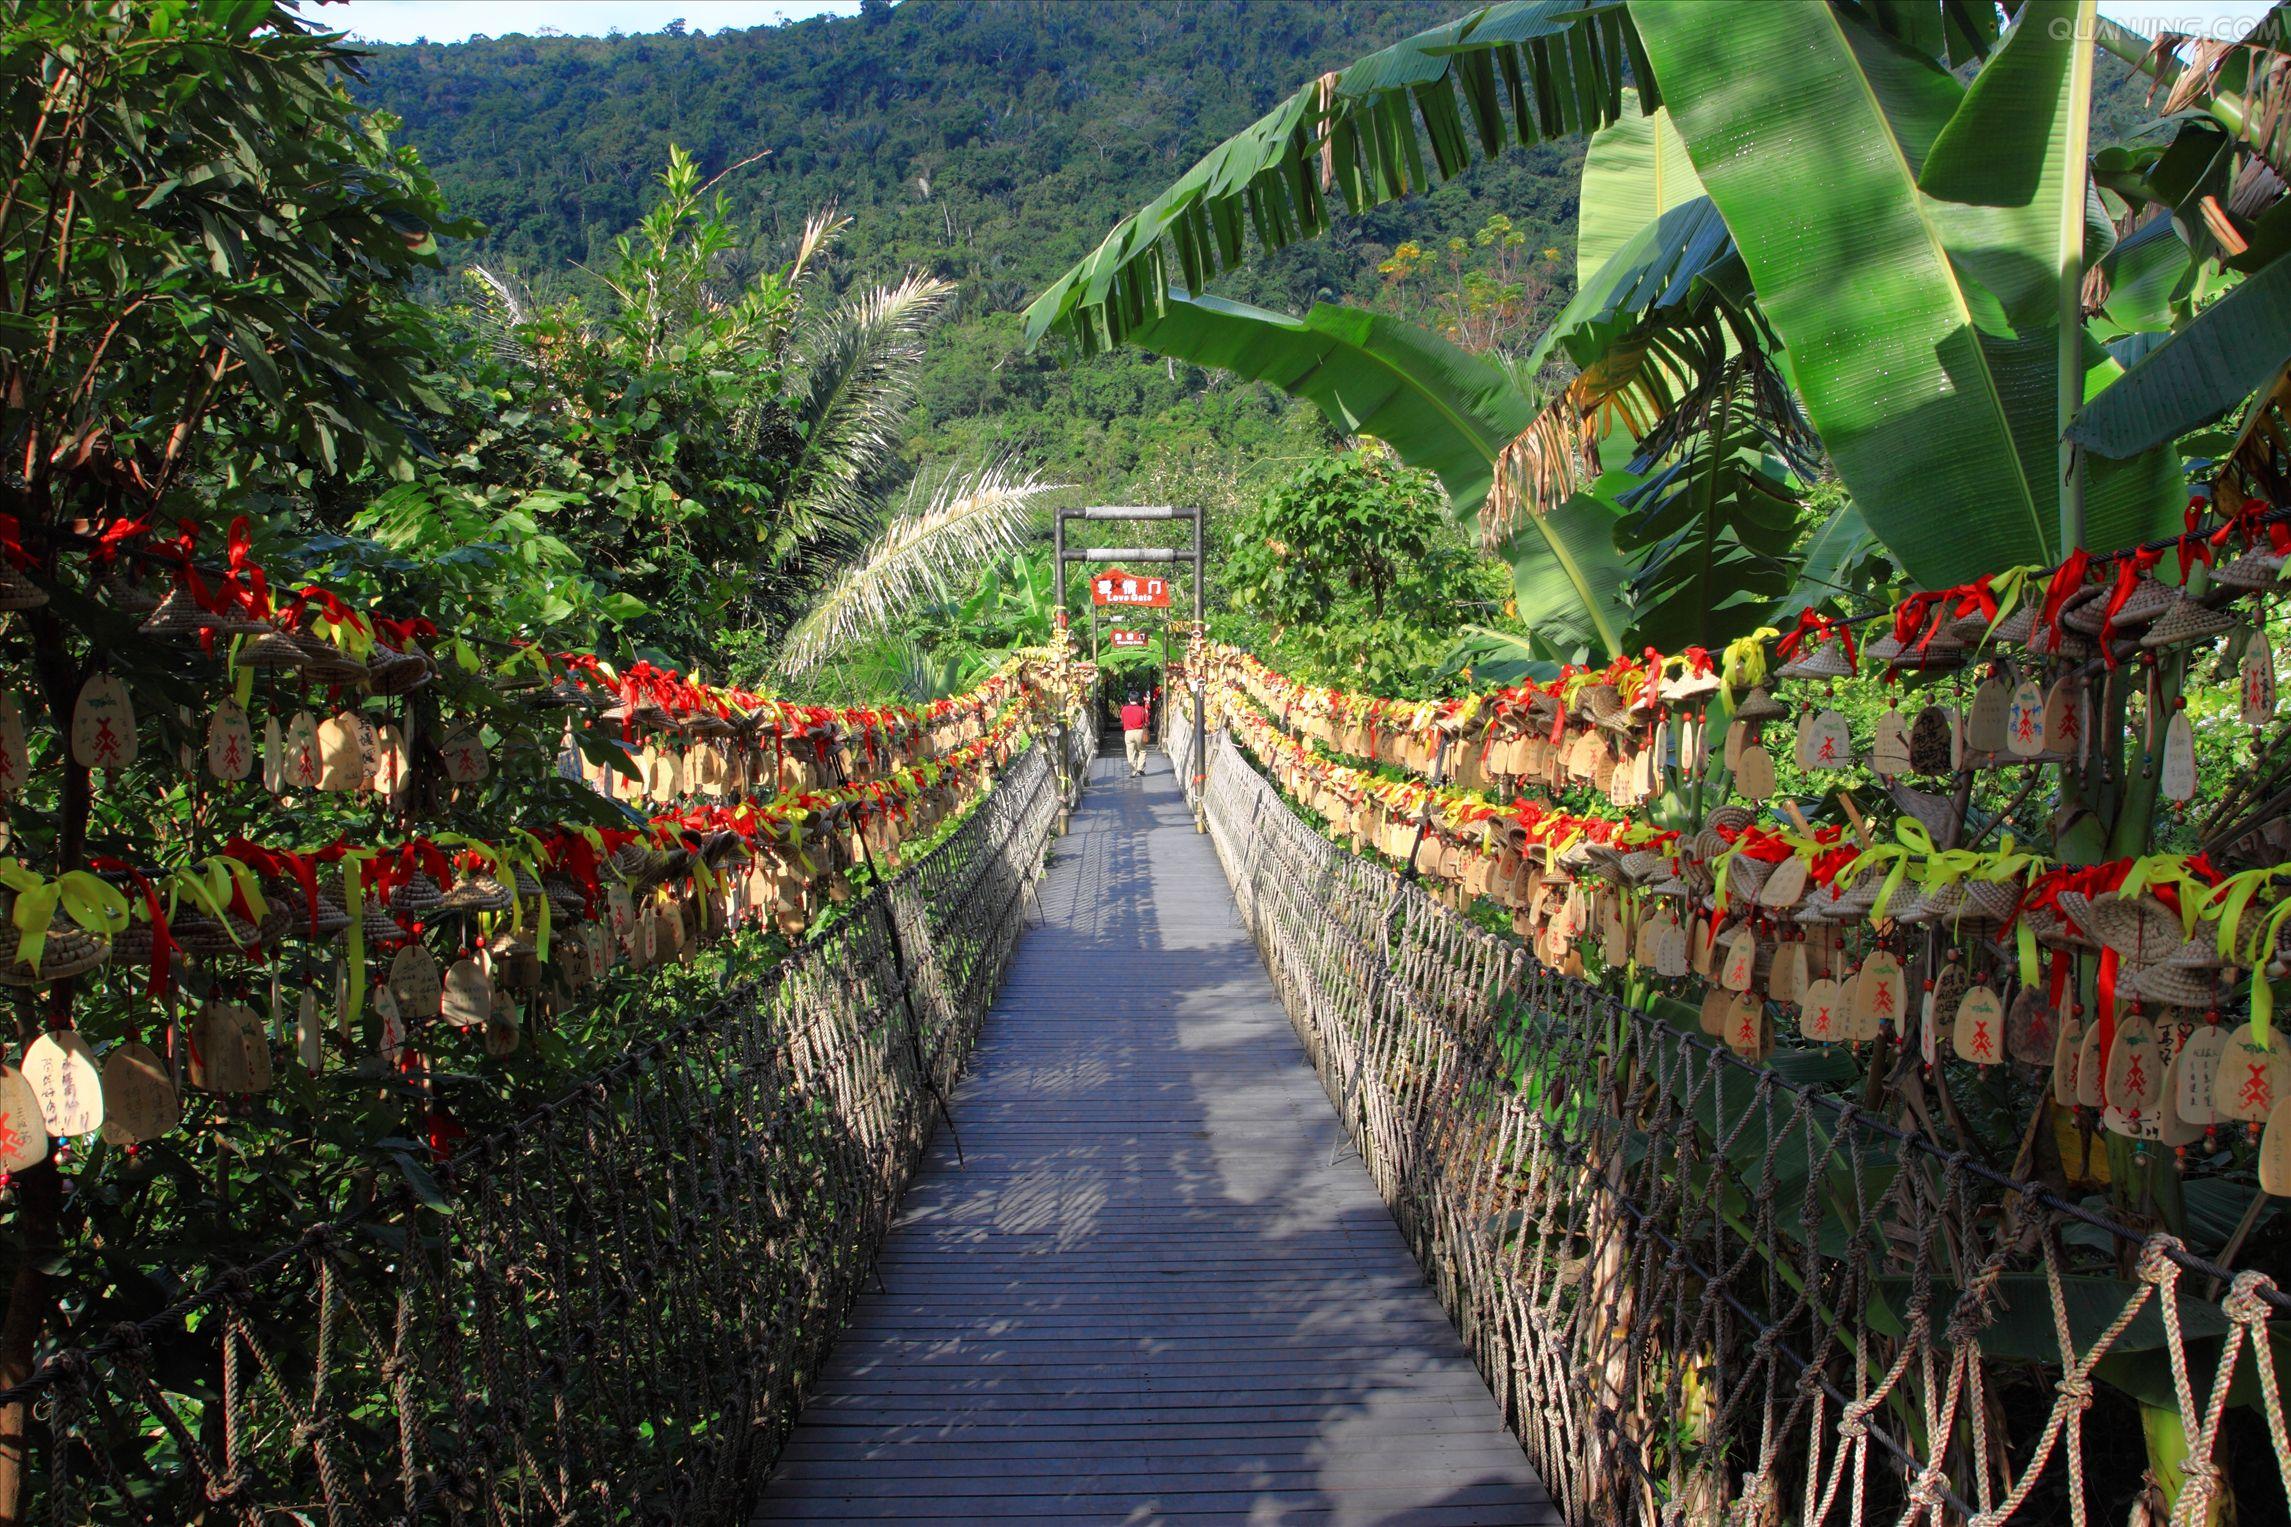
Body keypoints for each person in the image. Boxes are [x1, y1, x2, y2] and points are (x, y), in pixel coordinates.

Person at [1120, 693, 1150, 777]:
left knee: (1130, 752)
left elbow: (1122, 719)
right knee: (1142, 750)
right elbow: (1146, 721)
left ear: (1129, 699)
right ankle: (1140, 768)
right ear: (1138, 700)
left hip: (1128, 732)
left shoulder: (1124, 709)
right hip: (1139, 732)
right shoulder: (1141, 709)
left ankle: (1133, 771)